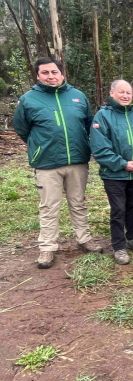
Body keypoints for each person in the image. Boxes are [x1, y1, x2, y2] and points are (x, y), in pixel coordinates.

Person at [13, 57, 97, 269]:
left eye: (54, 72)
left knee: (78, 202)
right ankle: (47, 247)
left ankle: (84, 240)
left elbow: (88, 124)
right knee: (49, 206)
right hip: (47, 163)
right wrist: (39, 146)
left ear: (61, 73)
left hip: (77, 160)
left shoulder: (78, 96)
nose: (50, 76)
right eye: (45, 73)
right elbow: (22, 129)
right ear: (38, 75)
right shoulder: (28, 100)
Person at [90, 80, 133, 265]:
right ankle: (118, 246)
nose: (125, 96)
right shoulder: (103, 116)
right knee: (118, 210)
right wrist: (123, 164)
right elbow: (100, 148)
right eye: (121, 92)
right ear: (112, 93)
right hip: (114, 174)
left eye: (128, 93)